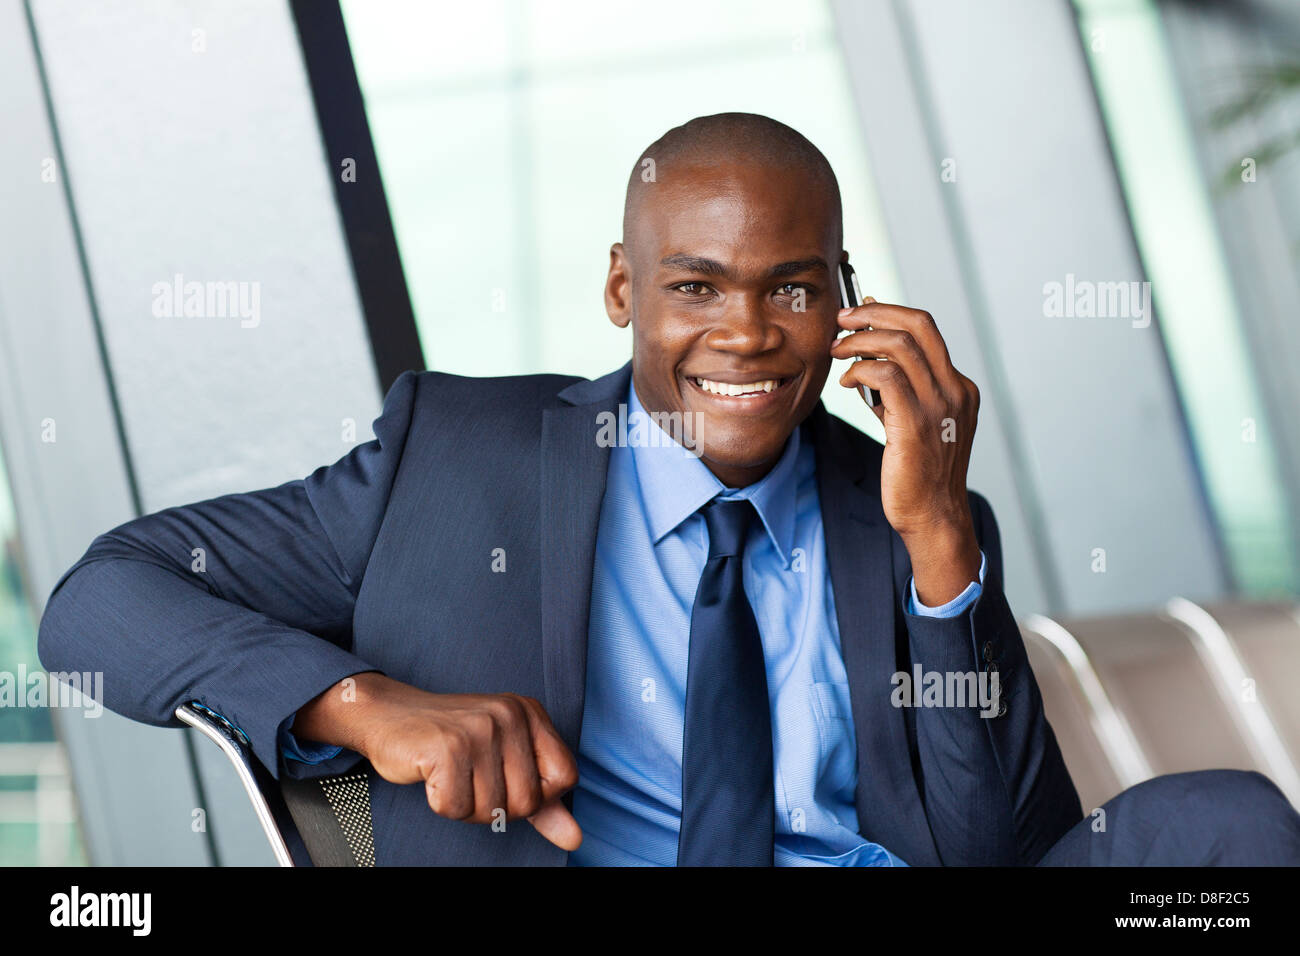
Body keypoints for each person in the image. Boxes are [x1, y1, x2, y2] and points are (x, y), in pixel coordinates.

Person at [38, 112, 1300, 866]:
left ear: (845, 300)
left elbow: (997, 851)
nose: (746, 334)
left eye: (792, 287)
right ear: (620, 291)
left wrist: (937, 546)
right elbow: (101, 600)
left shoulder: (896, 500)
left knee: (1225, 832)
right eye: (695, 285)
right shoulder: (456, 455)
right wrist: (367, 706)